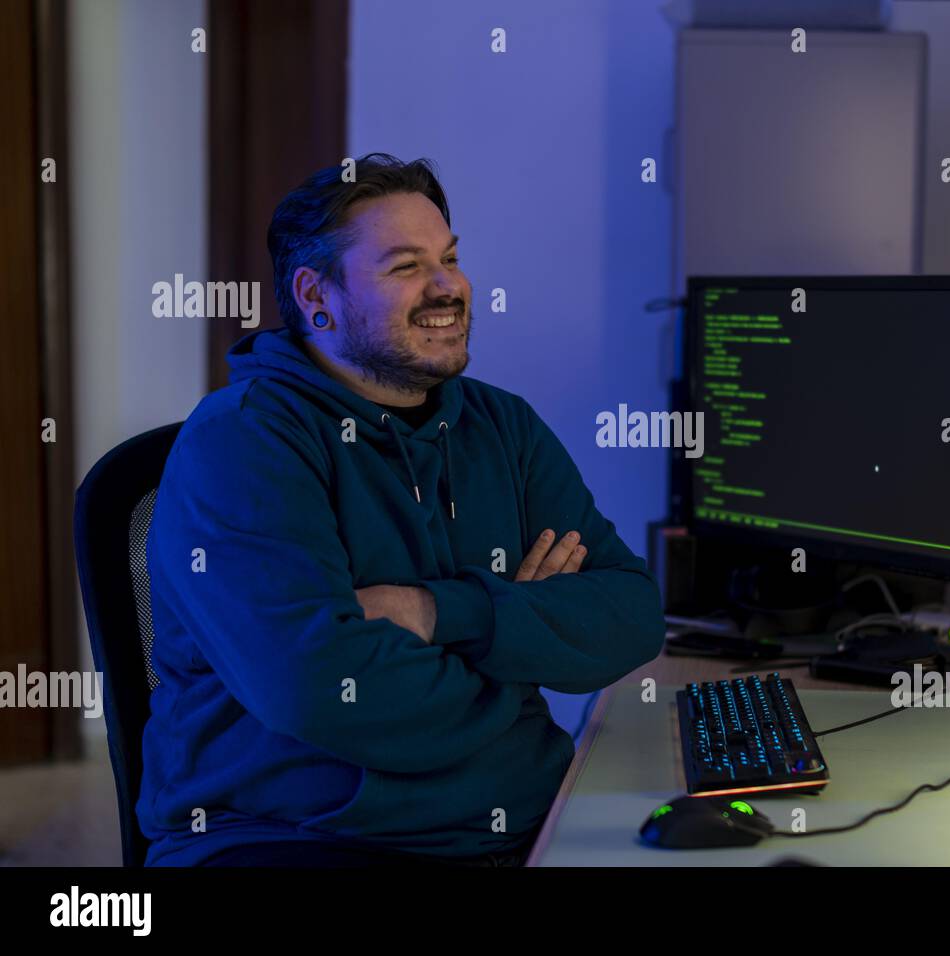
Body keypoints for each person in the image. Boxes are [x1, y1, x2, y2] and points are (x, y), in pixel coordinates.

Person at [138, 153, 665, 866]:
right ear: (316, 296)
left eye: (449, 257)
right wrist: (519, 648)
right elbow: (319, 691)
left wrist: (438, 614)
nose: (449, 286)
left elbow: (632, 615)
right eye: (406, 267)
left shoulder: (501, 426)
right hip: (295, 837)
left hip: (517, 823)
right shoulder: (243, 442)